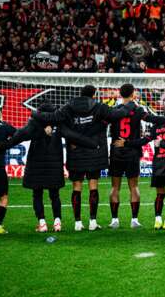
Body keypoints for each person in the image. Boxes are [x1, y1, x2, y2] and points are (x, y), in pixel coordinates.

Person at [32, 84, 127, 231]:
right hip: (95, 151)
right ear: (93, 95)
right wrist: (129, 106)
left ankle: (78, 223)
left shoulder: (68, 107)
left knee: (77, 187)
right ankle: (93, 222)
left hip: (75, 152)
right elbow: (116, 115)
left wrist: (35, 114)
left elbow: (52, 117)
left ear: (81, 94)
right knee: (93, 186)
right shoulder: (99, 107)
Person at [3, 103, 95, 232]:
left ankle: (42, 223)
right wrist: (93, 144)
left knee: (37, 194)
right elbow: (73, 136)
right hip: (54, 165)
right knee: (55, 195)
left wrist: (3, 146)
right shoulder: (58, 123)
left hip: (36, 165)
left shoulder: (34, 123)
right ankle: (57, 222)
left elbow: (20, 135)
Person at [107, 83, 151, 229]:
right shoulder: (138, 110)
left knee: (115, 187)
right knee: (134, 186)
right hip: (132, 152)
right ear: (133, 94)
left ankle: (114, 220)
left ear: (120, 94)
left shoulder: (114, 111)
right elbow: (148, 122)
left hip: (116, 152)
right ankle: (134, 220)